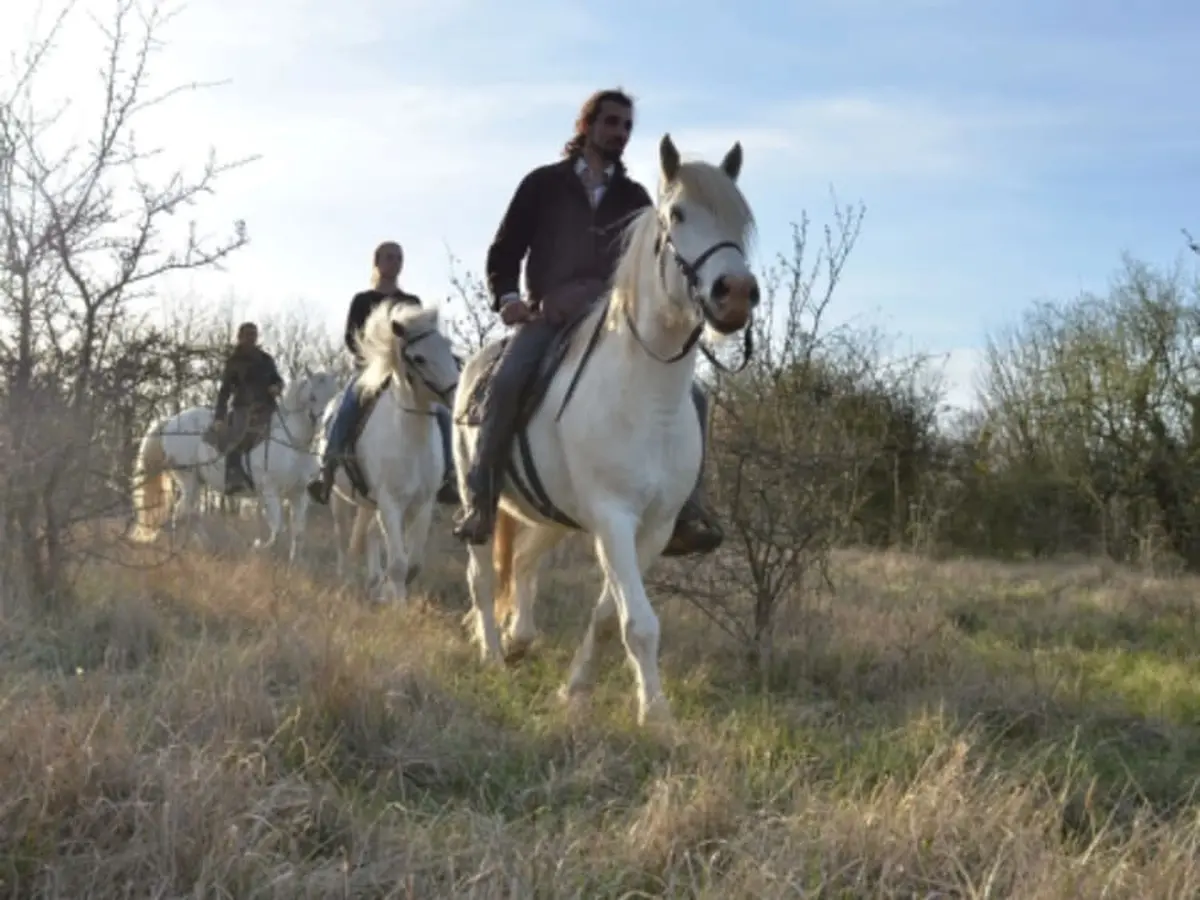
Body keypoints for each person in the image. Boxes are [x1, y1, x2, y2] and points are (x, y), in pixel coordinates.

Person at [452, 87, 724, 557]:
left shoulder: (637, 199)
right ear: (587, 126)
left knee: (694, 396)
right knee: (507, 379)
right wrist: (509, 299)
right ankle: (482, 497)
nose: (619, 133)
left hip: (615, 321)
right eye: (611, 123)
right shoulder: (542, 183)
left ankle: (686, 512)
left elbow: (654, 263)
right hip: (551, 316)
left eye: (626, 127)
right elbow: (504, 251)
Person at [306, 239, 459, 506]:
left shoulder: (411, 301)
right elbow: (351, 339)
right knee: (347, 406)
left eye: (398, 258)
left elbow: (421, 339)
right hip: (371, 372)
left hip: (408, 374)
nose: (394, 262)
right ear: (376, 262)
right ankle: (327, 469)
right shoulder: (363, 300)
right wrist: (377, 359)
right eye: (388, 257)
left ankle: (449, 475)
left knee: (443, 412)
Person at [212, 321, 285, 496]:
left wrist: (277, 387)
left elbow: (278, 379)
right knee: (238, 436)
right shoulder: (234, 361)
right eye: (247, 335)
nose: (251, 338)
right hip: (243, 407)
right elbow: (224, 391)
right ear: (240, 337)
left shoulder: (266, 359)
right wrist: (219, 416)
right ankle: (232, 477)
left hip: (268, 407)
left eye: (254, 335)